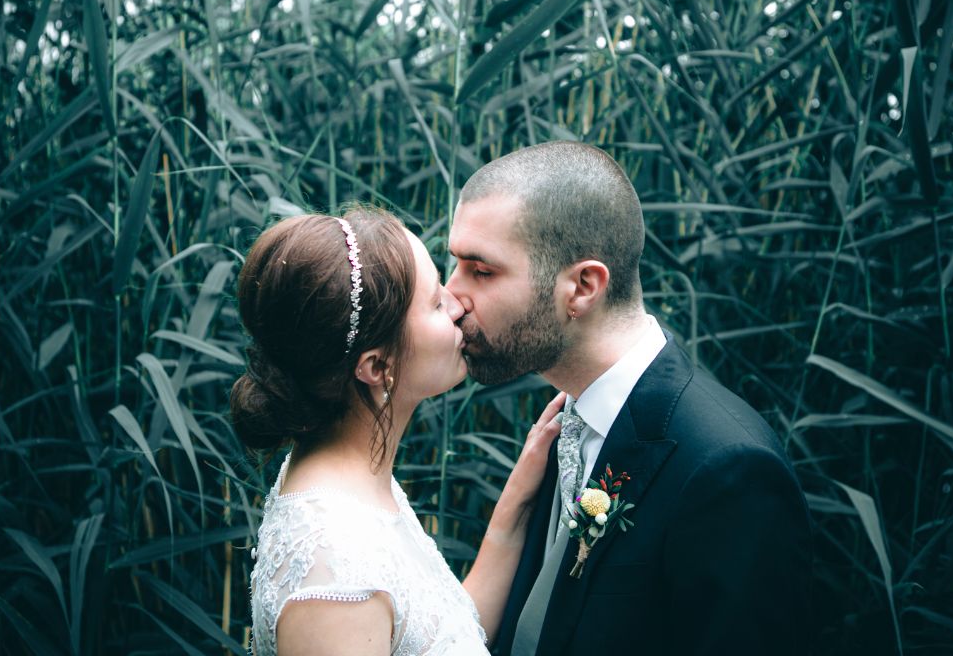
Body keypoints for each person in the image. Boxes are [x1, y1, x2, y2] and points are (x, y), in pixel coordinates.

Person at [445, 141, 813, 656]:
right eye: (454, 263)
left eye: (481, 271)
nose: (451, 295)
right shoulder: (563, 423)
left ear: (582, 287)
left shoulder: (727, 469)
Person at [231, 208, 565, 656]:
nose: (456, 304)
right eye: (433, 303)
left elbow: (443, 635)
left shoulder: (350, 477)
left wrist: (518, 502)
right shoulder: (336, 576)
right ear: (376, 366)